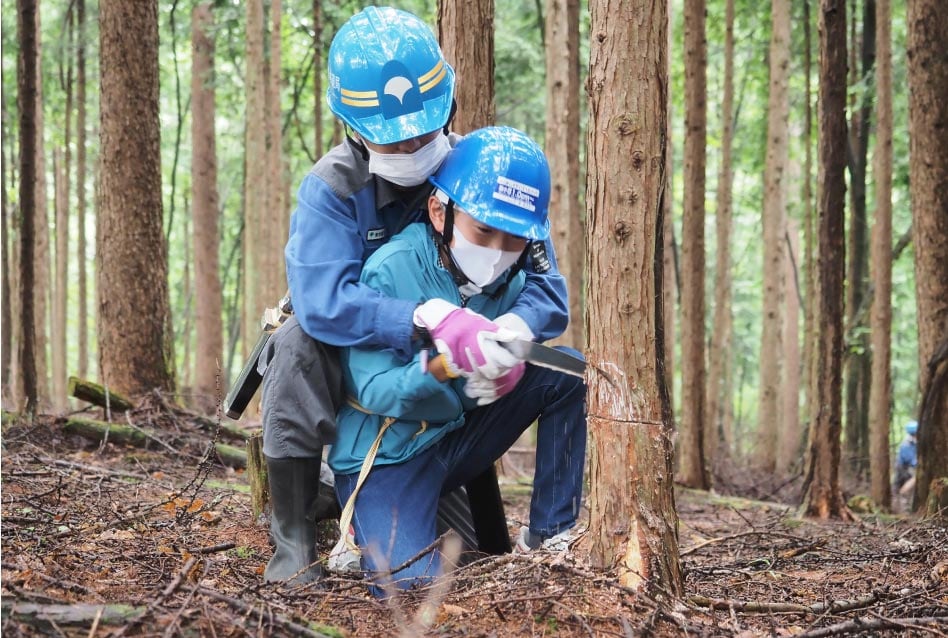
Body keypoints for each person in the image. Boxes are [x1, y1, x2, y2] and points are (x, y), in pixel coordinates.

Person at [257, 7, 569, 585]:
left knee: (467, 553)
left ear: (448, 108)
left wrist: (513, 331)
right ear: (355, 127)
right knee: (295, 343)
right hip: (359, 362)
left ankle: (539, 531)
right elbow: (322, 301)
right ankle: (293, 540)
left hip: (459, 384)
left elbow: (546, 282)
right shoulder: (333, 189)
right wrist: (420, 317)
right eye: (392, 140)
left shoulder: (476, 171)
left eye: (422, 134)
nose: (410, 148)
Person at [327, 126, 587, 595]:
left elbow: (550, 298)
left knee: (564, 374)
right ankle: (351, 523)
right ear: (439, 211)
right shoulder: (391, 267)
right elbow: (372, 391)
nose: (496, 252)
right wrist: (444, 364)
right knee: (410, 589)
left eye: (513, 240)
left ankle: (550, 536)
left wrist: (511, 345)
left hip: (456, 436)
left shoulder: (512, 274)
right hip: (388, 455)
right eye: (483, 230)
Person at [894, 420, 918, 494]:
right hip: (904, 469)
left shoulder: (915, 443)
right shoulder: (906, 445)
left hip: (909, 468)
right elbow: (912, 461)